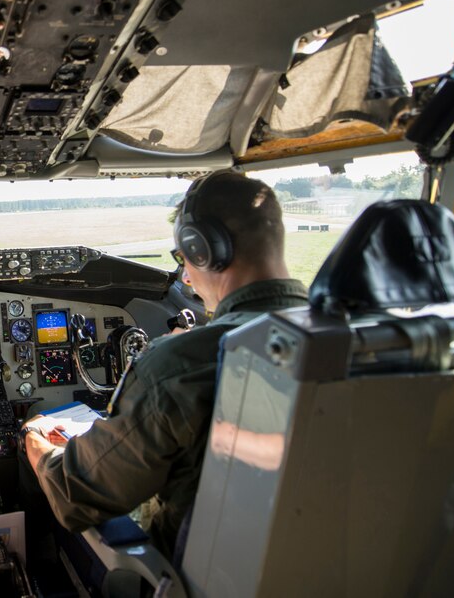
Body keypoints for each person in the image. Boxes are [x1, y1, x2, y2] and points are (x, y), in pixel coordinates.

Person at [21, 171, 308, 558]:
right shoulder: (355, 339)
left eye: (183, 259)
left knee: (38, 429)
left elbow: (76, 495)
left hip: (188, 573)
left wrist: (36, 445)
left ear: (202, 249)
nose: (185, 278)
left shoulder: (179, 365)